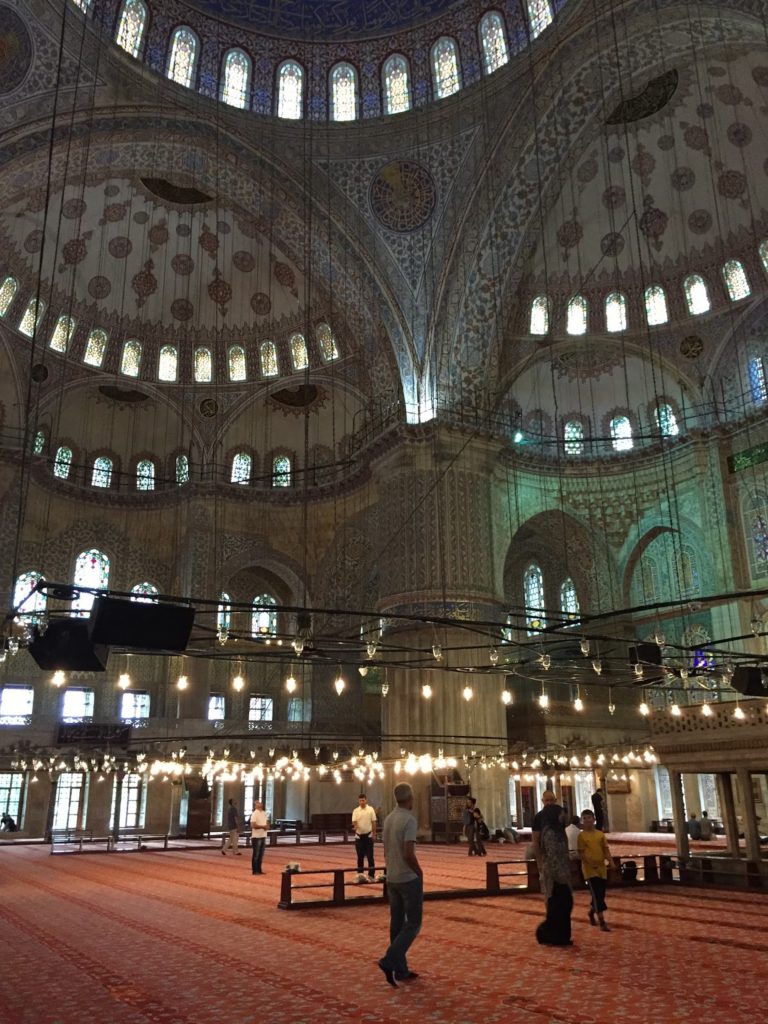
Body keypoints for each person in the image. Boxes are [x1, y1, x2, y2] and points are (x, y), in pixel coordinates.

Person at [378, 782, 423, 988]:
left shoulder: (388, 819)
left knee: (397, 924)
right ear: (410, 798)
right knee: (413, 923)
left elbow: (386, 849)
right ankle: (389, 960)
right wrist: (419, 872)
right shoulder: (409, 820)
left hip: (392, 878)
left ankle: (401, 969)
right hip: (407, 877)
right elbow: (408, 853)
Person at [532, 793, 573, 947]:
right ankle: (553, 932)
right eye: (546, 800)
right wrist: (540, 864)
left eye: (552, 801)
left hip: (562, 868)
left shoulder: (559, 826)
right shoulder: (542, 823)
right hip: (552, 869)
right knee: (554, 900)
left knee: (565, 901)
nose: (549, 803)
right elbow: (536, 843)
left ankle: (562, 933)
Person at [578, 809, 611, 932]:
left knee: (601, 894)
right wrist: (590, 863)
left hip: (601, 868)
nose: (587, 820)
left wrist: (611, 862)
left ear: (594, 819)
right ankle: (602, 920)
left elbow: (605, 849)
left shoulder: (600, 834)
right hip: (589, 870)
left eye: (589, 818)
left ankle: (592, 911)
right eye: (584, 818)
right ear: (582, 821)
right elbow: (581, 853)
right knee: (596, 893)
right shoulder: (581, 836)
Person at [352, 793, 378, 882]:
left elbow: (374, 822)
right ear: (358, 801)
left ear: (366, 800)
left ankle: (371, 875)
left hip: (368, 837)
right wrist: (355, 826)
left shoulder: (370, 810)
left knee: (370, 857)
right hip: (359, 837)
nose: (362, 802)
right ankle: (360, 876)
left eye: (363, 800)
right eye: (360, 800)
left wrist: (374, 834)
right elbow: (354, 821)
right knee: (360, 857)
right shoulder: (355, 811)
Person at [250, 801, 268, 875]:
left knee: (261, 855)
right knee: (256, 855)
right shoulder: (254, 813)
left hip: (263, 835)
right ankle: (255, 871)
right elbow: (253, 825)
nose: (260, 804)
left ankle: (259, 870)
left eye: (260, 803)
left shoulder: (264, 813)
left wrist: (267, 826)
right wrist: (262, 827)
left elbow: (266, 822)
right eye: (257, 803)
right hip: (256, 837)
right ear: (255, 806)